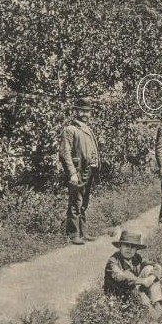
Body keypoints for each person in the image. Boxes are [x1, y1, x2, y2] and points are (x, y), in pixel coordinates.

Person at [59, 97, 101, 245]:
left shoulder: (87, 129)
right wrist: (72, 173)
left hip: (89, 171)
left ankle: (84, 233)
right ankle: (73, 234)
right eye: (82, 111)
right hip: (77, 171)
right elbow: (65, 153)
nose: (85, 114)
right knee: (75, 202)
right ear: (76, 111)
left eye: (87, 112)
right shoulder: (70, 130)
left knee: (84, 202)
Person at [104, 230, 162, 314]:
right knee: (130, 278)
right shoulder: (113, 261)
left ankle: (157, 304)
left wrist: (151, 277)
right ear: (120, 246)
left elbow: (156, 266)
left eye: (133, 246)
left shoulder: (136, 258)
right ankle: (152, 315)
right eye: (126, 245)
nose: (129, 249)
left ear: (136, 249)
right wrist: (142, 281)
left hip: (134, 288)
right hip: (118, 294)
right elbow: (121, 277)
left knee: (149, 269)